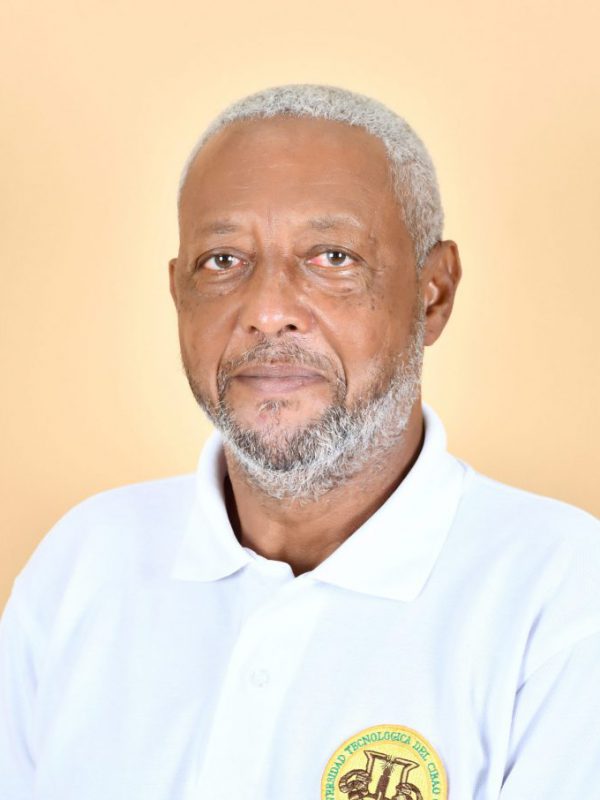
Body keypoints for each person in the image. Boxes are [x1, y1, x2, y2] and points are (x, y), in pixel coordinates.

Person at [0, 84, 598, 800]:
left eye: (332, 257)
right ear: (178, 293)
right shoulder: (84, 563)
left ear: (433, 293)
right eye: (223, 260)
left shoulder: (562, 596)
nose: (268, 310)